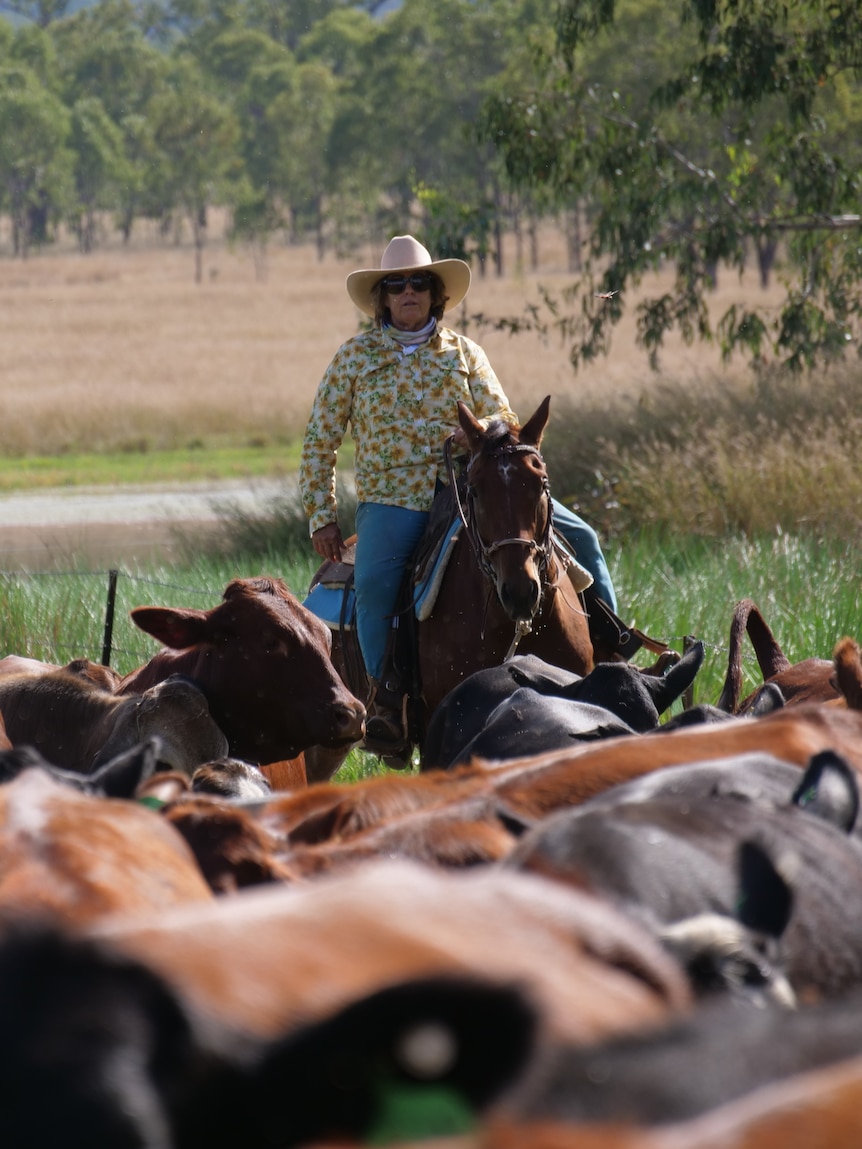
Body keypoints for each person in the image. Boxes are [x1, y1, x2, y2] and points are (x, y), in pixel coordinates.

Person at [299, 234, 617, 754]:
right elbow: (320, 440)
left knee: (584, 539)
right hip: (392, 499)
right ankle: (388, 699)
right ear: (382, 297)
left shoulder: (465, 354)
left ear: (433, 293)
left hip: (472, 487)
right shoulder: (353, 360)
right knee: (377, 583)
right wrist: (323, 516)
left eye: (418, 283)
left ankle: (614, 659)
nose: (408, 292)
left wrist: (476, 434)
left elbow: (505, 416)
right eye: (396, 284)